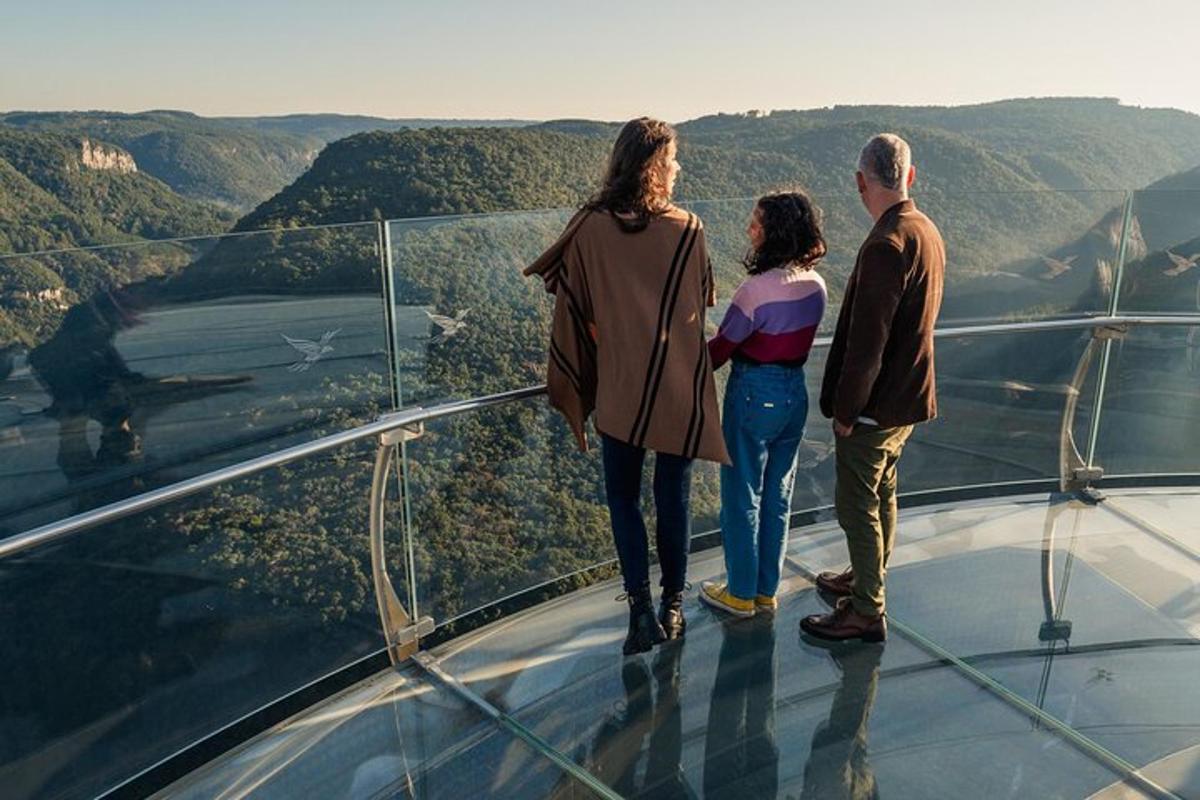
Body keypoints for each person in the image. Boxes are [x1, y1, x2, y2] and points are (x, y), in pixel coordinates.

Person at [525, 118, 728, 655]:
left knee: (622, 498)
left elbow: (573, 302)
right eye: (674, 159)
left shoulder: (589, 228)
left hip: (619, 386)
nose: (679, 167)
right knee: (674, 499)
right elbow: (700, 301)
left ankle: (640, 612)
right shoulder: (689, 230)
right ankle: (674, 607)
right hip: (676, 384)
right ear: (656, 167)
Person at [801, 133, 945, 643]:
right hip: (909, 395)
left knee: (854, 502)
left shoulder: (885, 244)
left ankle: (865, 609)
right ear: (910, 176)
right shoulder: (924, 229)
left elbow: (868, 343)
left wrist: (846, 410)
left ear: (861, 182)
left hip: (877, 403)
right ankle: (867, 580)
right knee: (882, 490)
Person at [699, 191, 827, 617]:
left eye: (757, 223)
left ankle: (739, 592)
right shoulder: (817, 285)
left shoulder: (754, 292)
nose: (749, 229)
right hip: (795, 394)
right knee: (778, 494)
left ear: (775, 233)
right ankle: (766, 590)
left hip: (754, 392)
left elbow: (720, 351)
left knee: (742, 494)